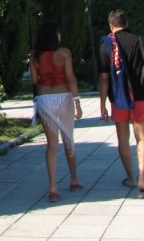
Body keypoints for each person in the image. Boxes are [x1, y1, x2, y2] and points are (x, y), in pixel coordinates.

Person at [98, 9, 144, 197]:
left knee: (123, 139)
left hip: (118, 99)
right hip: (140, 97)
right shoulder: (139, 40)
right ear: (126, 24)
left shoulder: (106, 45)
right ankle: (143, 178)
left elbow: (104, 78)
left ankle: (131, 178)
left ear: (111, 25)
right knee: (142, 138)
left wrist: (102, 104)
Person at [29, 21, 83, 202]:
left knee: (52, 144)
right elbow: (71, 78)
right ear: (55, 35)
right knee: (68, 138)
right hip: (64, 96)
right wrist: (77, 102)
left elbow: (34, 81)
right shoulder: (64, 53)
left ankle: (53, 186)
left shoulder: (34, 56)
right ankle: (74, 179)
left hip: (44, 98)